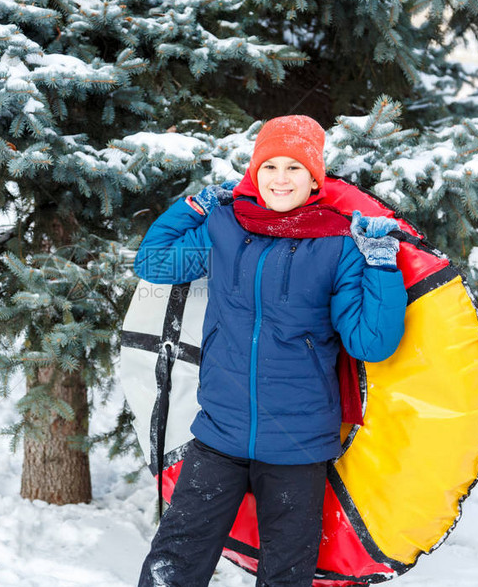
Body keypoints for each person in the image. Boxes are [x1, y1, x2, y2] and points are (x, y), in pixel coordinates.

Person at [133, 115, 408, 587]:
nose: (281, 179)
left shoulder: (338, 244)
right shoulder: (223, 226)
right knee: (173, 566)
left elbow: (371, 342)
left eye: (295, 169)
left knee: (285, 577)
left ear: (315, 177)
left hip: (298, 447)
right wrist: (194, 208)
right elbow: (154, 263)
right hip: (219, 433)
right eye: (270, 167)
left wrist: (381, 265)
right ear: (254, 173)